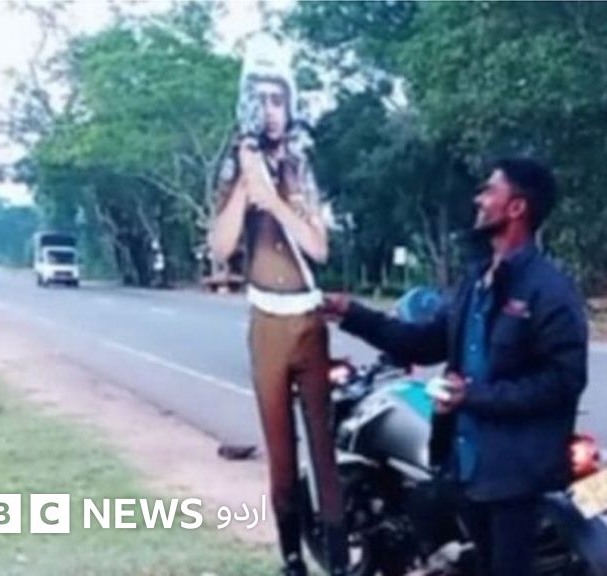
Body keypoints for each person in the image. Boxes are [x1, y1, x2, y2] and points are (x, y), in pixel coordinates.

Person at [324, 158, 588, 576]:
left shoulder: (549, 291)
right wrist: (351, 314)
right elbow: (424, 342)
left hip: (514, 475)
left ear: (516, 207)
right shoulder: (476, 281)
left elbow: (564, 381)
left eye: (489, 190)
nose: (478, 199)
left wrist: (474, 396)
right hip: (467, 468)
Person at [208, 36, 347, 576]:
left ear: (290, 105)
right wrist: (247, 187)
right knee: (281, 455)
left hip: (307, 318)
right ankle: (292, 560)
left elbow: (319, 247)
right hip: (266, 320)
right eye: (261, 99)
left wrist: (277, 202)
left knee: (324, 451)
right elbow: (221, 247)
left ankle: (338, 560)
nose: (270, 110)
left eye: (278, 99)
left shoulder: (301, 165)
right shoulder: (235, 165)